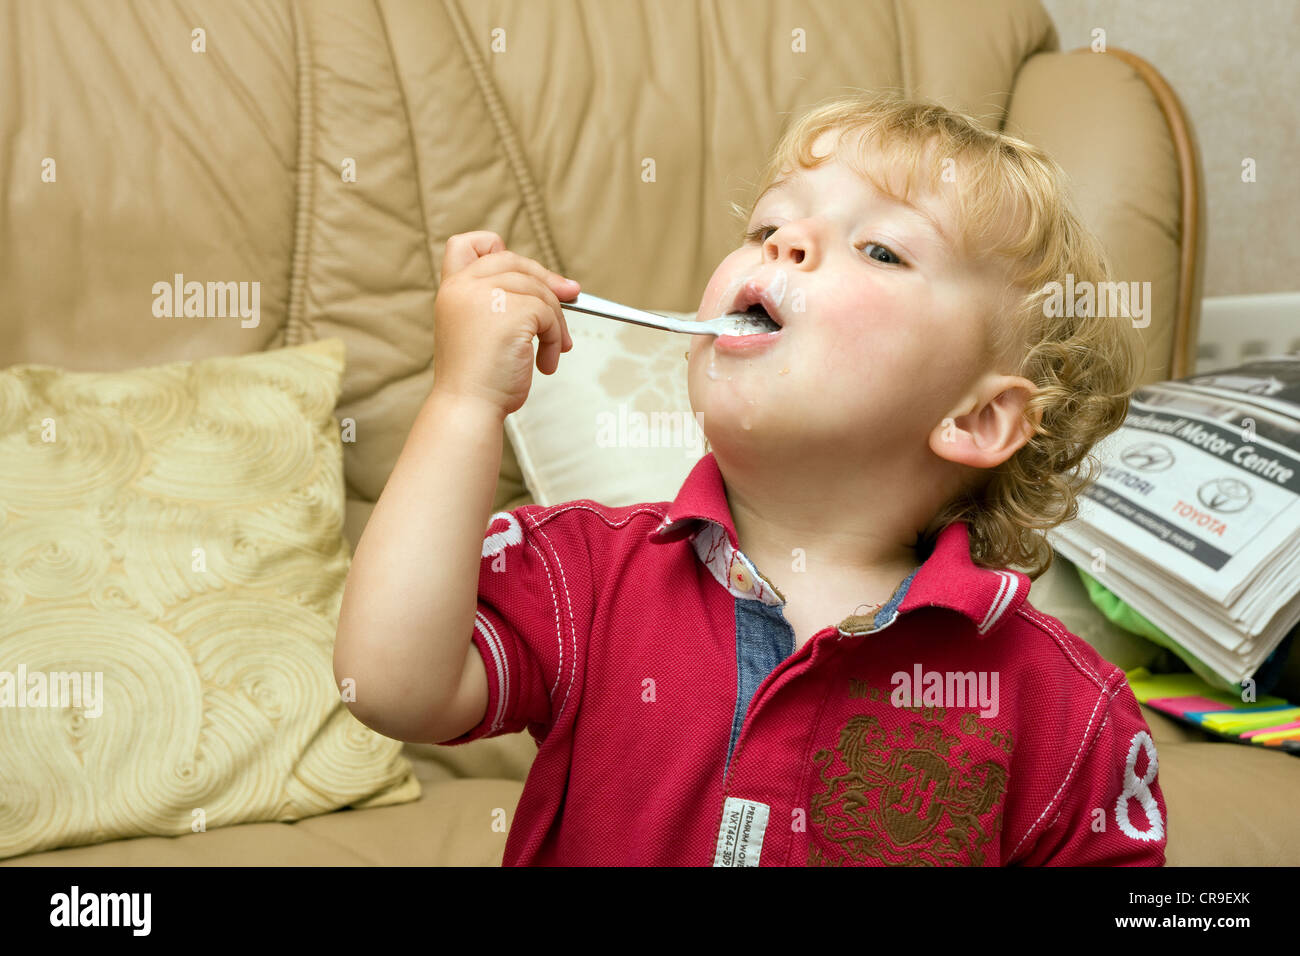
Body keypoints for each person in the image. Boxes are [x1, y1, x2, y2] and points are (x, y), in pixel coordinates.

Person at [335, 91, 1166, 866]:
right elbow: (387, 686)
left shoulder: (1070, 714)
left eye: (880, 248)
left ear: (978, 420)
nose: (783, 243)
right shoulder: (586, 575)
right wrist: (463, 401)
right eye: (769, 224)